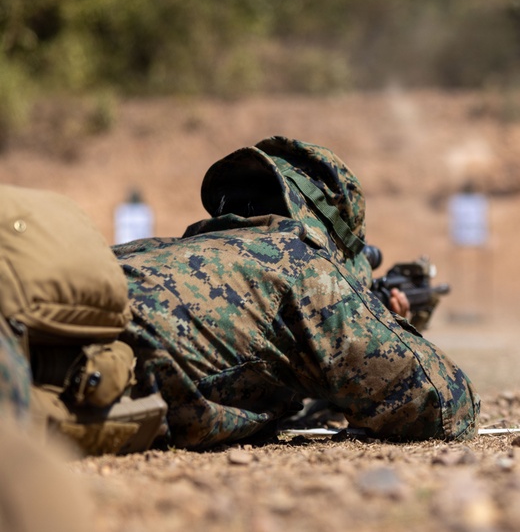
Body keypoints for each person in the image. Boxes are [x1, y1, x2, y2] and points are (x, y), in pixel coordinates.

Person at [114, 136, 480, 449]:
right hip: (100, 383)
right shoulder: (302, 264)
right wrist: (386, 325)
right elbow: (443, 404)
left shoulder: (150, 249)